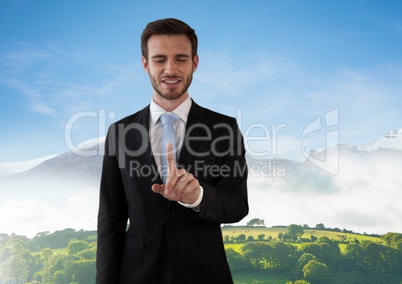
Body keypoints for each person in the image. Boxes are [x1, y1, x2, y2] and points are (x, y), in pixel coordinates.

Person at [96, 18, 248, 284]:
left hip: (205, 274)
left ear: (195, 62)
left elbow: (237, 205)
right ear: (145, 64)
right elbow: (110, 220)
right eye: (159, 59)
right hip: (137, 275)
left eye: (180, 58)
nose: (170, 69)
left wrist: (197, 196)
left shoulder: (225, 128)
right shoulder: (119, 132)